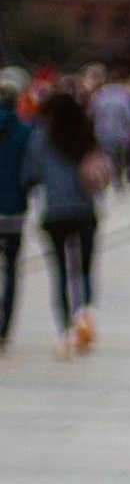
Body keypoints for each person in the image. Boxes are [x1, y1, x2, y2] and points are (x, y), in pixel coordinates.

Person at [25, 82, 103, 357]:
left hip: (55, 213)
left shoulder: (42, 137)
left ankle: (65, 331)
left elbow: (30, 174)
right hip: (84, 211)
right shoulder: (86, 133)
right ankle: (85, 312)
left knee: (59, 274)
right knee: (84, 269)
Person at [0, 67, 31, 351]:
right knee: (10, 270)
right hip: (14, 212)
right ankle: (5, 326)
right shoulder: (25, 131)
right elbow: (31, 172)